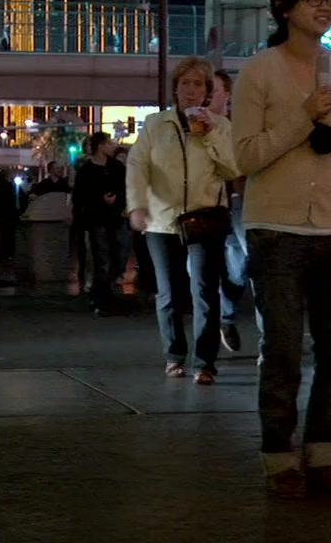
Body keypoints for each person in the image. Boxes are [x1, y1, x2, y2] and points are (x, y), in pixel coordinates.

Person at [232, 0, 331, 498]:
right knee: (284, 352)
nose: (325, 6)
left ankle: (324, 454)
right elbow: (246, 157)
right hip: (275, 230)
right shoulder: (258, 72)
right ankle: (278, 458)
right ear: (284, 7)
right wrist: (303, 116)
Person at [127, 56, 239, 386]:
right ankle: (174, 355)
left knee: (205, 291)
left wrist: (210, 134)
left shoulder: (221, 126)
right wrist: (137, 206)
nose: (191, 90)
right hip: (162, 220)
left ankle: (205, 363)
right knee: (169, 293)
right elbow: (138, 165)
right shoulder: (155, 124)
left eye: (198, 84)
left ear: (207, 91)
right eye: (185, 83)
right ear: (175, 88)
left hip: (205, 218)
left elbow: (232, 169)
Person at [210, 69, 250, 353]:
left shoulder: (239, 125)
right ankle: (224, 317)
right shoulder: (196, 126)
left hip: (238, 199)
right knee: (206, 264)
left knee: (243, 262)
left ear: (227, 94)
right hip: (209, 203)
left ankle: (226, 311)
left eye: (214, 91)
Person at [73, 132, 128, 316]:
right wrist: (99, 200)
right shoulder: (87, 171)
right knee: (102, 258)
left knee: (118, 255)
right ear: (101, 146)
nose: (113, 146)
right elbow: (80, 197)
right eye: (109, 143)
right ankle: (101, 298)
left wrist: (118, 200)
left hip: (116, 218)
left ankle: (106, 294)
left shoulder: (116, 167)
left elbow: (126, 187)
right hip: (97, 220)